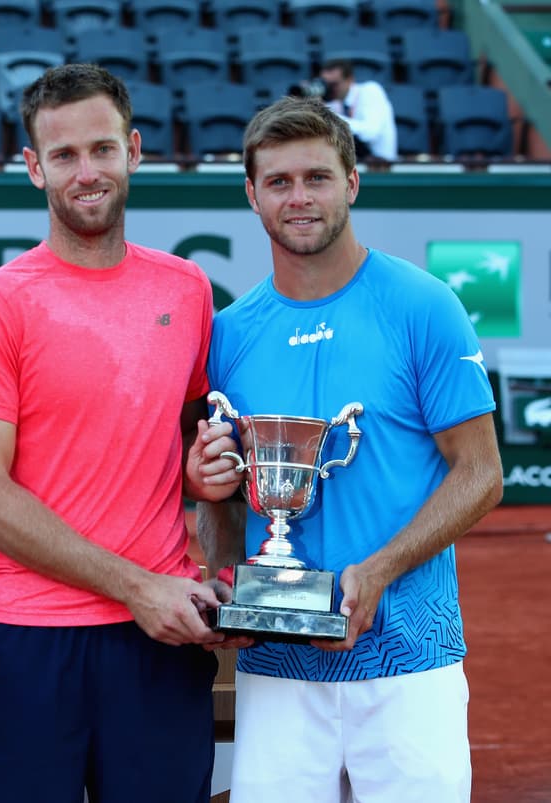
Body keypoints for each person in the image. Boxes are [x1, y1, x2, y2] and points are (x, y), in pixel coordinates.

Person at [0, 62, 241, 803]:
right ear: (34, 168)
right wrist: (138, 587)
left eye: (102, 149)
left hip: (160, 642)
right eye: (64, 155)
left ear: (133, 151)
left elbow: (202, 453)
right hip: (32, 642)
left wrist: (224, 557)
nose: (87, 172)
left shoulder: (186, 288)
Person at [193, 95, 504, 803]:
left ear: (353, 183)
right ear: (252, 195)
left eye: (317, 177)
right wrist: (223, 565)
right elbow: (223, 499)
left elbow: (482, 474)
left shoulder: (424, 305)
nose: (299, 197)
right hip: (278, 668)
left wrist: (379, 570)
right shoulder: (229, 333)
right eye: (278, 181)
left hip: (409, 657)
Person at [320, 58, 396, 162]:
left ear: (349, 79)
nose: (330, 89)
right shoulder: (334, 103)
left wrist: (327, 115)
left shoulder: (370, 90)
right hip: (354, 164)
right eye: (326, 84)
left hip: (382, 165)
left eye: (334, 85)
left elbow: (370, 132)